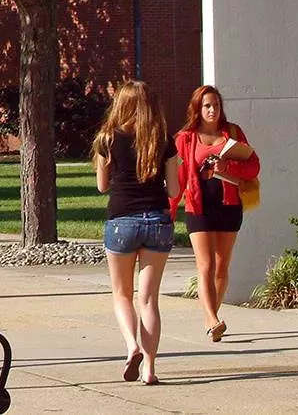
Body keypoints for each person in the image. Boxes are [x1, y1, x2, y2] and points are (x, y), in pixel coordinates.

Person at [91, 80, 179, 385]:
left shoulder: (107, 139)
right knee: (149, 300)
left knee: (122, 294)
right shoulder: (164, 140)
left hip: (121, 221)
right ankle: (150, 369)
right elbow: (176, 189)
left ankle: (131, 346)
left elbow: (102, 186)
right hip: (157, 220)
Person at [171, 85, 260, 342]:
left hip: (229, 205)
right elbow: (177, 177)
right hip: (198, 207)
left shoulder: (232, 133)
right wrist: (170, 208)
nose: (212, 110)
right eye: (207, 106)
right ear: (198, 109)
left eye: (216, 105)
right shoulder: (186, 138)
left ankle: (212, 318)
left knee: (222, 267)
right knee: (206, 265)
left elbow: (253, 166)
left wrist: (227, 164)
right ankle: (211, 319)